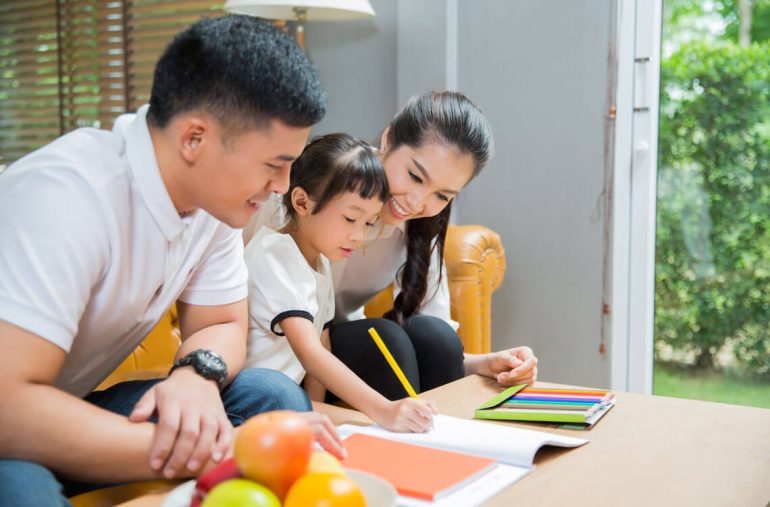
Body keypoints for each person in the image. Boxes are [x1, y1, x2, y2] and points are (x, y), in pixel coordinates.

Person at [0, 15, 342, 506]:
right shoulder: (66, 197)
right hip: (10, 417)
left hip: (64, 405)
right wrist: (224, 452)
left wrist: (196, 375)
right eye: (273, 164)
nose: (283, 186)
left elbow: (222, 322)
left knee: (272, 398)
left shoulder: (213, 203)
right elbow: (8, 409)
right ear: (194, 139)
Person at [328, 91, 539, 400]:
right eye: (415, 176)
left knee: (435, 336)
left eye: (442, 195)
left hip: (347, 352)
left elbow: (439, 348)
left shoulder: (420, 227)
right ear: (388, 138)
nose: (416, 202)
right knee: (386, 339)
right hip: (291, 348)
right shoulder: (324, 183)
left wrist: (491, 364)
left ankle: (441, 444)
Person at [244, 133, 438, 433]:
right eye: (350, 219)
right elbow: (310, 352)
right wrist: (384, 409)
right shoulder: (275, 253)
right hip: (255, 396)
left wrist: (317, 414)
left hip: (288, 398)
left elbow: (323, 344)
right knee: (375, 421)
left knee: (372, 427)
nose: (360, 236)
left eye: (369, 223)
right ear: (301, 202)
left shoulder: (320, 263)